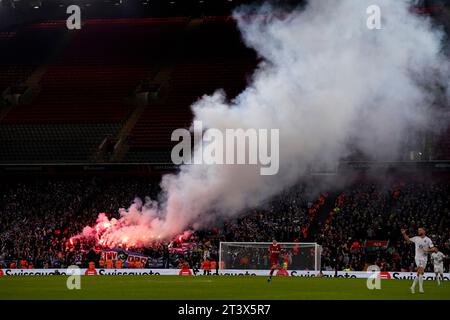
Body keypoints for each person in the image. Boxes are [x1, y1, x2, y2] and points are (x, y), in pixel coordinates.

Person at [401, 227, 436, 294]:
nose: (418, 231)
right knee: (421, 270)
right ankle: (421, 288)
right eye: (418, 230)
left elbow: (433, 249)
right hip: (418, 257)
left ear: (424, 231)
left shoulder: (428, 240)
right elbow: (408, 240)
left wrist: (427, 250)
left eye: (420, 230)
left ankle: (413, 286)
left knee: (420, 273)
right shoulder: (416, 238)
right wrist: (404, 234)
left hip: (425, 258)